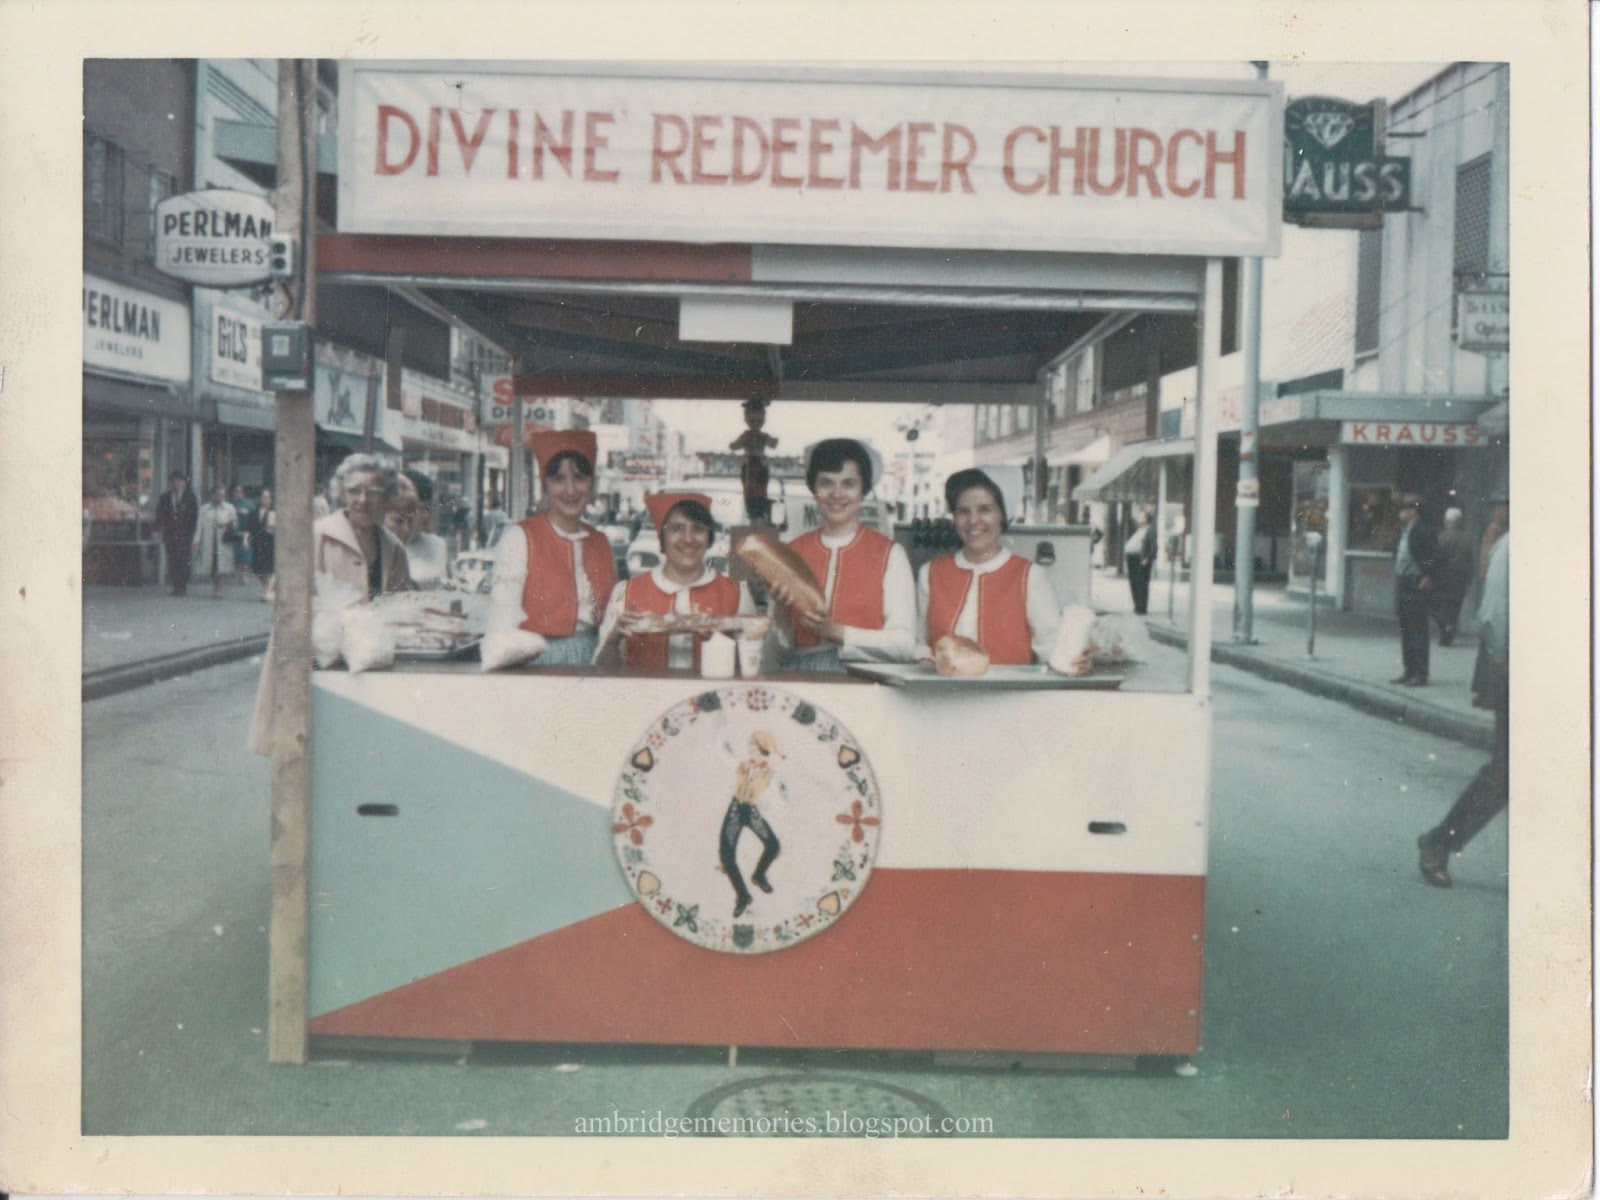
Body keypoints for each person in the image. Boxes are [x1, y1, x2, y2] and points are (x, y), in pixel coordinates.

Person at [247, 454, 414, 757]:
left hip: (369, 669)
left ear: (387, 497)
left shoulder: (395, 548)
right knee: (310, 757)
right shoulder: (315, 536)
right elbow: (279, 596)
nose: (363, 500)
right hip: (314, 668)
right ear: (340, 493)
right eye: (353, 491)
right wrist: (332, 615)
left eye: (373, 492)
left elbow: (403, 609)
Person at [769, 438, 916, 674]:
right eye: (826, 483)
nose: (837, 494)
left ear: (863, 490)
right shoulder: (791, 553)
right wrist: (781, 611)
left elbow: (905, 646)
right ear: (814, 490)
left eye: (848, 484)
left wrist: (837, 632)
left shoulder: (890, 554)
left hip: (865, 679)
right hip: (800, 679)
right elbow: (778, 653)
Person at [1417, 532, 1509, 887]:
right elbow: (1494, 615)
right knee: (1506, 772)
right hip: (1525, 674)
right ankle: (1439, 841)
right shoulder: (1514, 547)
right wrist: (1507, 665)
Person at [487, 430, 617, 665]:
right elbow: (503, 616)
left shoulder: (600, 543)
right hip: (535, 659)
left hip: (594, 658)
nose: (570, 490)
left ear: (592, 484)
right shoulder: (520, 537)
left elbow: (607, 617)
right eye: (558, 479)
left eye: (579, 477)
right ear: (544, 485)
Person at [595, 491, 752, 671]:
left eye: (698, 528)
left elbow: (754, 669)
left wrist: (722, 645)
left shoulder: (737, 593)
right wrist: (613, 640)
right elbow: (603, 672)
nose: (688, 539)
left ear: (710, 538)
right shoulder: (624, 593)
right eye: (677, 529)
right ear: (662, 537)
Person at [917, 468, 1060, 664]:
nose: (973, 521)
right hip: (944, 693)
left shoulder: (1029, 575)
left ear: (1002, 515)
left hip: (1010, 693)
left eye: (985, 510)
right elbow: (918, 643)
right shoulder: (931, 573)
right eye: (963, 511)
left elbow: (1051, 649)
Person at [719, 730, 785, 918]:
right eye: (750, 745)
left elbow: (779, 798)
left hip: (752, 811)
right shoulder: (742, 765)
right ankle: (743, 895)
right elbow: (725, 753)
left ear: (762, 749)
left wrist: (769, 807)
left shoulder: (770, 773)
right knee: (726, 854)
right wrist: (721, 728)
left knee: (773, 845)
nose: (750, 749)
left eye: (753, 746)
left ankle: (758, 875)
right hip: (735, 810)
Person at [1391, 493, 1442, 687]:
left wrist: (1428, 575)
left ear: (1413, 511)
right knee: (1406, 628)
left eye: (1404, 509)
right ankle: (1409, 669)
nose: (1401, 513)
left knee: (1417, 630)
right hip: (1404, 582)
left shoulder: (1423, 530)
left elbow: (1435, 555)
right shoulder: (1405, 530)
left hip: (1417, 583)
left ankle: (1420, 673)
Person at [387, 470, 453, 589]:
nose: (426, 515)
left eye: (429, 509)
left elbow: (450, 585)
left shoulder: (438, 544)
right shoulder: (384, 546)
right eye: (421, 509)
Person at [1432, 506, 1475, 646]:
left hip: (1444, 577)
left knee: (1439, 605)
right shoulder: (1467, 539)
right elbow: (1470, 561)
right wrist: (1469, 581)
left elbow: (1437, 558)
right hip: (1460, 579)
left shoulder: (1442, 537)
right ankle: (1448, 636)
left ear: (1449, 522)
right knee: (1455, 608)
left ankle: (1445, 629)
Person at [152, 471, 198, 596]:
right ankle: (176, 586)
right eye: (174, 481)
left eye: (179, 481)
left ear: (184, 483)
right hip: (170, 533)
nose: (176, 484)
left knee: (184, 559)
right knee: (172, 559)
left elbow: (194, 518)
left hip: (185, 534)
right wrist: (156, 529)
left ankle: (182, 586)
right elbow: (159, 514)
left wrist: (194, 536)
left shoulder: (190, 498)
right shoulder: (165, 497)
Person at [193, 485, 238, 599]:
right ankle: (215, 585)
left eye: (223, 495)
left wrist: (227, 523)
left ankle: (218, 587)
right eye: (218, 495)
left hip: (222, 540)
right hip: (209, 541)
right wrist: (196, 540)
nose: (221, 497)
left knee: (220, 564)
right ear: (213, 495)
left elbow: (235, 523)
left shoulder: (229, 508)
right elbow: (199, 525)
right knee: (212, 564)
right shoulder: (204, 509)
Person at [1124, 506, 1157, 616]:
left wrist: (1147, 558)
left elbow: (1153, 547)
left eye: (1141, 517)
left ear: (1146, 519)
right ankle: (1137, 606)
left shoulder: (1150, 531)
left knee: (1141, 583)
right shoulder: (1138, 530)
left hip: (1141, 559)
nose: (1138, 518)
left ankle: (1142, 607)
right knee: (1134, 583)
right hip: (1132, 558)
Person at [249, 488, 276, 601]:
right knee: (258, 570)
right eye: (263, 497)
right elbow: (249, 527)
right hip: (257, 542)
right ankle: (265, 588)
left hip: (269, 542)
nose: (266, 500)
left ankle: (266, 591)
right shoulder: (254, 512)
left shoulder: (274, 512)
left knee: (268, 569)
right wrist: (247, 539)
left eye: (268, 497)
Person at [229, 484, 256, 585]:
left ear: (243, 493)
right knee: (236, 554)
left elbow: (254, 515)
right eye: (236, 491)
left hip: (246, 532)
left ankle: (243, 574)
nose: (238, 493)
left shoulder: (249, 504)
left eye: (240, 491)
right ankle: (237, 574)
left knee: (245, 555)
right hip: (234, 532)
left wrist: (246, 512)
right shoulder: (231, 504)